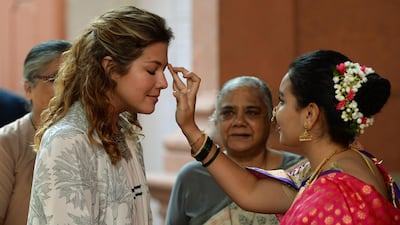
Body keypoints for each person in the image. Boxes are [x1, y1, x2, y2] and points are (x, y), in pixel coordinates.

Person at [168, 49, 400, 224]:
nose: (275, 113)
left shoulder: (337, 190)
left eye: (282, 101)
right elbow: (251, 192)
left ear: (309, 114)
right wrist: (190, 128)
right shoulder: (334, 166)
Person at [26, 6, 173, 225]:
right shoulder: (66, 140)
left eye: (164, 71)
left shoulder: (125, 133)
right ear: (111, 68)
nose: (163, 83)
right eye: (152, 70)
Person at [165, 76, 308, 225]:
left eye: (251, 112)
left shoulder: (300, 173)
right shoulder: (192, 177)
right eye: (228, 113)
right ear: (215, 122)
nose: (239, 122)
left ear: (271, 119)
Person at [0, 40, 71, 225]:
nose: (68, 88)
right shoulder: (7, 142)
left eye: (74, 79)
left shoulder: (91, 137)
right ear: (28, 88)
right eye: (55, 79)